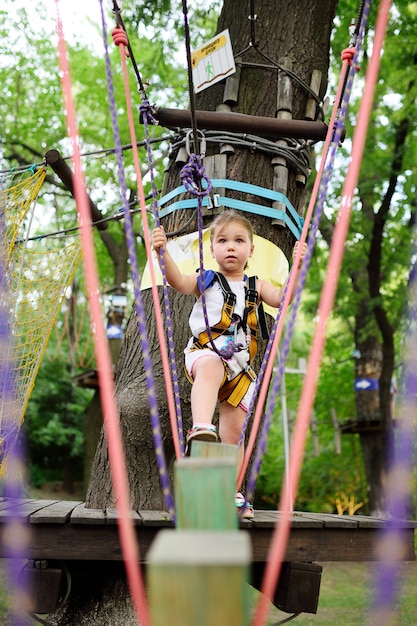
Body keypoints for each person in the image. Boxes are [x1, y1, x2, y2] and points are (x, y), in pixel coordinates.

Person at [151, 210, 306, 518]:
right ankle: (201, 426)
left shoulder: (257, 285)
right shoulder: (206, 280)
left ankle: (230, 491)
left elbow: (284, 297)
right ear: (212, 250)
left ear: (250, 249)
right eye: (222, 241)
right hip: (205, 353)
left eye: (238, 240)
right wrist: (162, 252)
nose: (230, 247)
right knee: (210, 367)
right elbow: (177, 280)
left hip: (240, 369)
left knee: (235, 433)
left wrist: (298, 266)